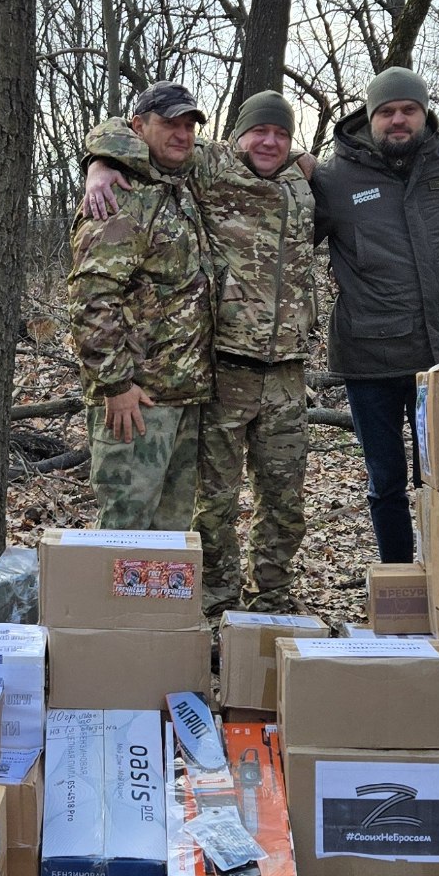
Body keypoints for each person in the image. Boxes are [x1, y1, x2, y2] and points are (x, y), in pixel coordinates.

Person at [79, 91, 318, 609]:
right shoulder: (190, 173)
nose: (269, 140)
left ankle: (178, 622)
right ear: (237, 136)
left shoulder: (297, 182)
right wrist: (100, 161)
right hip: (180, 381)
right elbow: (93, 296)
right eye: (259, 130)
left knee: (183, 516)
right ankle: (113, 633)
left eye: (281, 132)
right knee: (149, 516)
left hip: (205, 383)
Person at [310, 68, 439, 562]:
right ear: (370, 116)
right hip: (369, 358)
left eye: (409, 110)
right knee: (386, 481)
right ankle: (399, 580)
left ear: (426, 115)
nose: (398, 120)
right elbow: (279, 234)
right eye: (387, 111)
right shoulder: (333, 179)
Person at [65, 81, 215, 530]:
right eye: (170, 123)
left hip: (182, 394)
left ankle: (157, 607)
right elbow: (91, 298)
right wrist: (116, 385)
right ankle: (111, 606)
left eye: (189, 125)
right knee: (125, 533)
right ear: (138, 127)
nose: (182, 134)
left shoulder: (178, 188)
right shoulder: (120, 197)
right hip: (137, 401)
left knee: (169, 541)